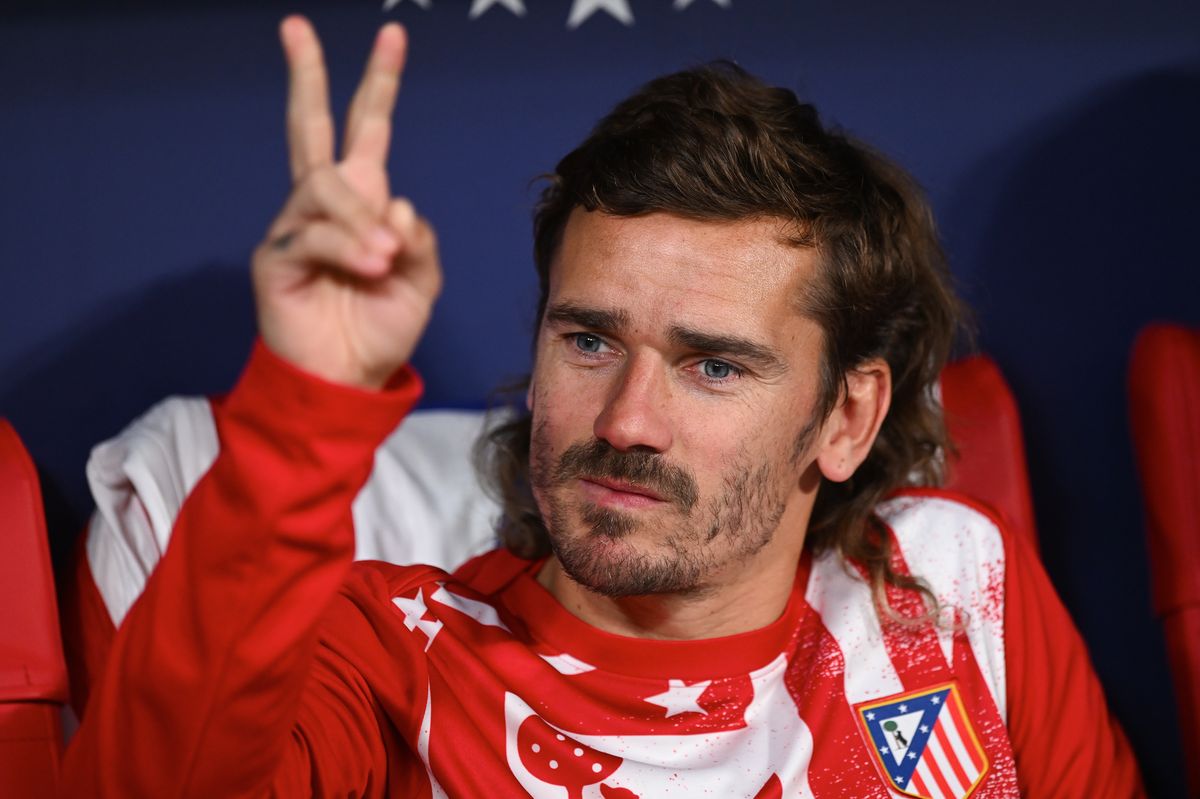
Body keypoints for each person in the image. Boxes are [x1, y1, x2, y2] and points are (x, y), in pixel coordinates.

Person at [62, 15, 1144, 797]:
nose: (626, 420)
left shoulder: (957, 587)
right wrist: (304, 409)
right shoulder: (389, 654)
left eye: (714, 365)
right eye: (588, 340)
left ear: (847, 418)